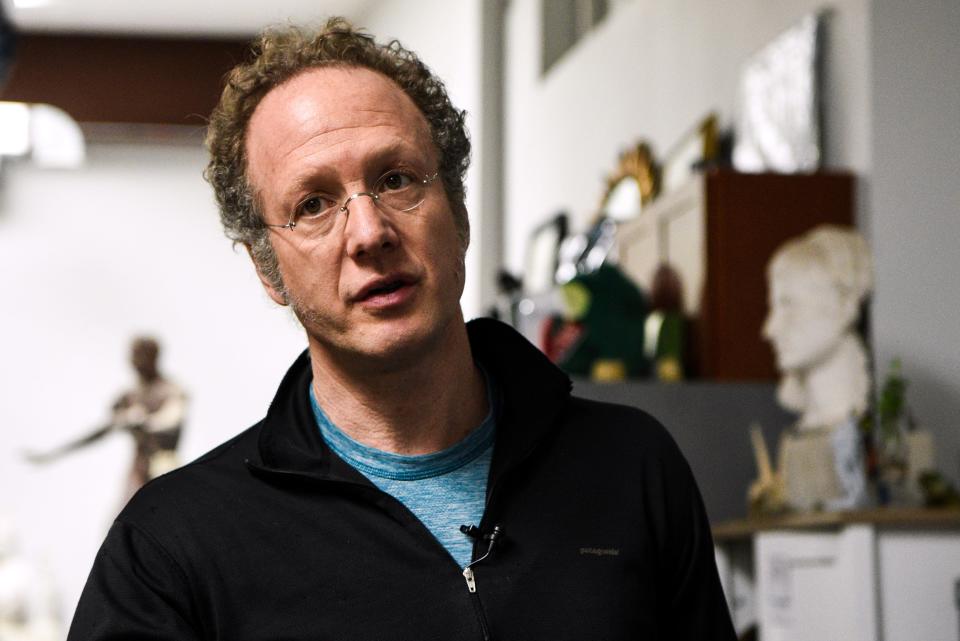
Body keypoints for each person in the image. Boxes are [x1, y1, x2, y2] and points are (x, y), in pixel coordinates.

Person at [68, 18, 734, 640]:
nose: (369, 232)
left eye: (396, 179)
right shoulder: (169, 549)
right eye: (313, 205)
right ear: (269, 271)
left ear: (459, 216)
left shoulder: (632, 466)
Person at [26, 336, 186, 503]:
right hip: (137, 473)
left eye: (140, 356)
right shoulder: (130, 396)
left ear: (153, 357)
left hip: (164, 467)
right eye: (134, 356)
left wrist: (144, 420)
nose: (135, 362)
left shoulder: (171, 391)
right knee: (125, 519)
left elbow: (171, 419)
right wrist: (55, 453)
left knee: (166, 509)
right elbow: (101, 430)